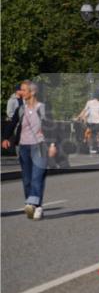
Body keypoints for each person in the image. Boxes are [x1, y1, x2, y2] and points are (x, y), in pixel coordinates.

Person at [3, 82, 52, 220]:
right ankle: (36, 206)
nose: (21, 92)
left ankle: (32, 203)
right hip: (23, 146)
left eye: (24, 90)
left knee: (37, 177)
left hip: (40, 145)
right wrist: (5, 137)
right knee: (27, 179)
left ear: (33, 92)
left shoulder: (42, 108)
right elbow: (12, 123)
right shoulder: (20, 109)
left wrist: (53, 144)